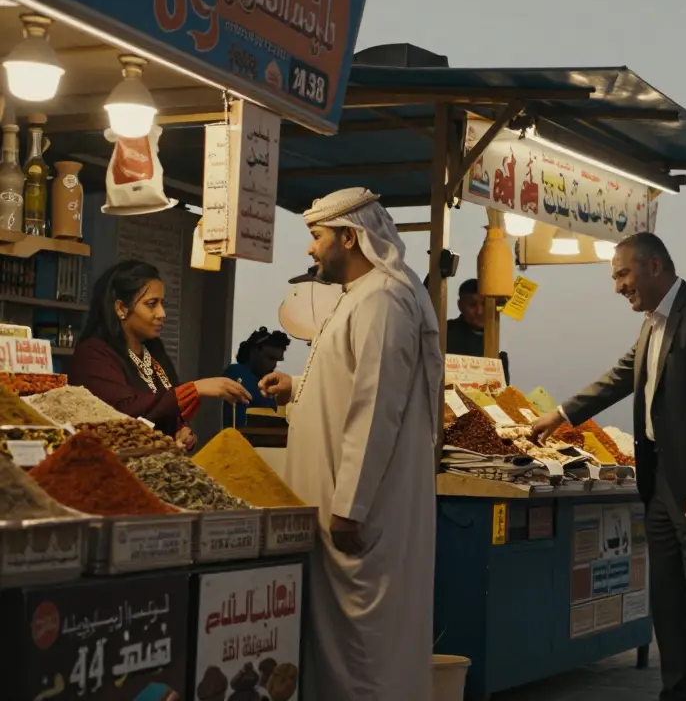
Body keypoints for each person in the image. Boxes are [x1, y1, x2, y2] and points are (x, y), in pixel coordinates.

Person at [531, 232, 686, 701]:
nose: (618, 286)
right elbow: (620, 378)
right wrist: (560, 415)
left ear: (654, 266)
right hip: (661, 488)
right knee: (669, 605)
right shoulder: (653, 324)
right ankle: (676, 693)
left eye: (622, 274)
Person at [258, 188, 442, 700]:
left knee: (365, 651)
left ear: (348, 236)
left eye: (316, 238)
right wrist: (297, 387)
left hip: (363, 515)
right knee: (342, 646)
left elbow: (378, 409)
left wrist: (351, 508)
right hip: (348, 506)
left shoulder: (383, 298)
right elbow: (352, 384)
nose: (311, 250)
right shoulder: (361, 296)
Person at [70, 260, 250, 450]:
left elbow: (164, 409)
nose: (162, 313)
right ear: (121, 309)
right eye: (151, 304)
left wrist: (180, 431)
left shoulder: (153, 350)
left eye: (162, 304)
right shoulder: (93, 354)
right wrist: (195, 389)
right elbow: (123, 411)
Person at [220, 327, 290, 429]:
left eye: (277, 360)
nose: (273, 365)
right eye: (270, 358)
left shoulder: (271, 380)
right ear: (254, 351)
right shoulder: (236, 372)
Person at [445, 278, 510, 383]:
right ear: (460, 305)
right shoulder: (445, 333)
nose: (479, 311)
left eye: (484, 304)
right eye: (472, 305)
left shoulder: (495, 336)